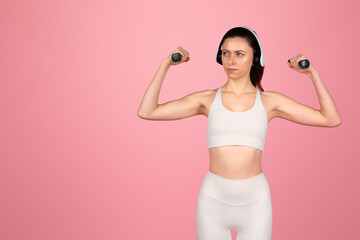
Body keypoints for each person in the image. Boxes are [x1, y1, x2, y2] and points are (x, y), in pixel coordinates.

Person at [137, 26, 342, 240]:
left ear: (256, 59)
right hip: (213, 202)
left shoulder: (269, 102)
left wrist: (312, 74)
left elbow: (331, 118)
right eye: (225, 53)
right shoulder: (206, 100)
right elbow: (147, 111)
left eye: (239, 54)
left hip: (255, 204)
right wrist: (165, 65)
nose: (230, 61)